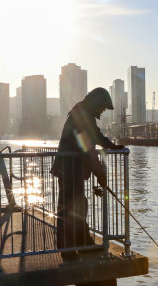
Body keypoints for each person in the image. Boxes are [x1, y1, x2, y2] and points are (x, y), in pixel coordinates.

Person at [51, 87, 124, 260]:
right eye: (103, 107)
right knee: (69, 209)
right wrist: (100, 173)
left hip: (71, 169)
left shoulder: (83, 114)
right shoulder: (81, 117)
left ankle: (83, 244)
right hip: (69, 169)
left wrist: (111, 146)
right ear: (96, 103)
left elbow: (96, 136)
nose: (103, 111)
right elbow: (88, 147)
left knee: (78, 206)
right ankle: (68, 251)